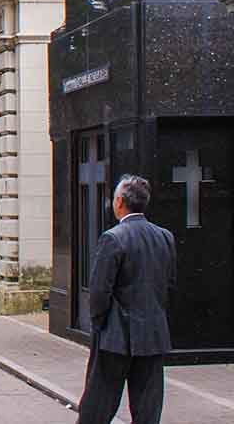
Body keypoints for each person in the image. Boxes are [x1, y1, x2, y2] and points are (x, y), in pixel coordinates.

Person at [76, 175, 176, 424]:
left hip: (116, 335)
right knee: (147, 409)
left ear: (119, 202)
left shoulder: (113, 237)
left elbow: (100, 291)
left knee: (98, 404)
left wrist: (99, 324)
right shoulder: (165, 236)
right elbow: (169, 283)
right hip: (152, 334)